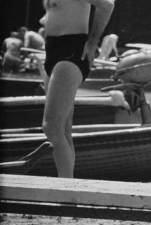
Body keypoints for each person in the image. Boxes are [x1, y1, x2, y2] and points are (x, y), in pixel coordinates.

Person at [41, 0, 115, 178]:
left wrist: (92, 42)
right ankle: (68, 187)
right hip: (53, 51)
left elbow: (107, 5)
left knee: (51, 127)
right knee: (64, 130)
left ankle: (65, 189)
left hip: (72, 51)